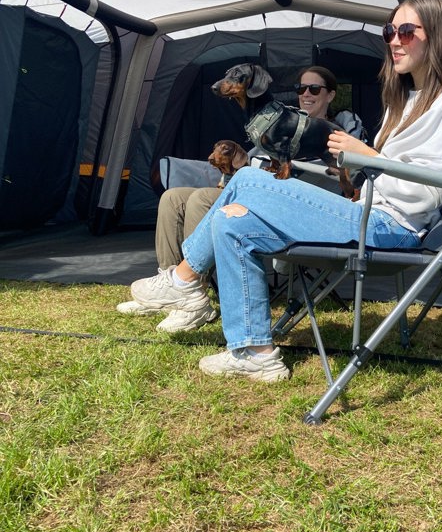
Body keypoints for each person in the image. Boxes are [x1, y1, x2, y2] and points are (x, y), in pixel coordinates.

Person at [128, 0, 442, 382]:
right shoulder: (408, 99)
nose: (394, 40)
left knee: (246, 178)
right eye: (389, 30)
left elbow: (437, 186)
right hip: (368, 213)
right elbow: (384, 171)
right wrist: (362, 160)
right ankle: (254, 351)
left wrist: (366, 154)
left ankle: (183, 281)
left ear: (438, 35)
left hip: (390, 228)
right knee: (231, 222)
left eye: (406, 31)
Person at [117, 65, 365, 332]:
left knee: (201, 199)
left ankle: (192, 296)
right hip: (251, 190)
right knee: (173, 198)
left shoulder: (336, 130)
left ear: (330, 95)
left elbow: (349, 170)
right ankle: (168, 282)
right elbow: (251, 157)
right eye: (300, 88)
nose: (306, 94)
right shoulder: (277, 120)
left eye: (314, 89)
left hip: (288, 200)